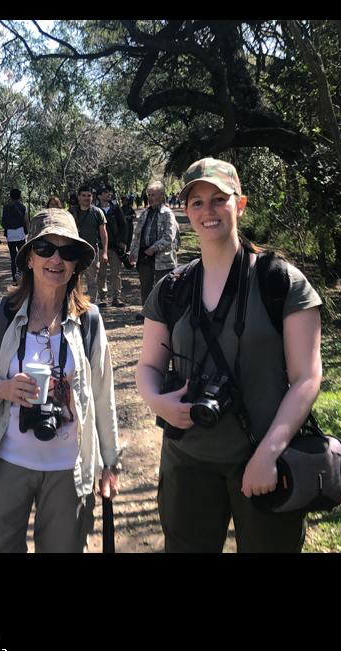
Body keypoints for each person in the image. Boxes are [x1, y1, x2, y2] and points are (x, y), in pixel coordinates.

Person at [135, 157, 322, 553]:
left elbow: (307, 377)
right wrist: (156, 401)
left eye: (219, 199)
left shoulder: (280, 281)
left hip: (263, 458)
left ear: (240, 204)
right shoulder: (172, 288)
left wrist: (269, 453)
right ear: (186, 211)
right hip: (187, 460)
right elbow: (149, 365)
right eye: (197, 202)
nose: (209, 210)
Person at [0, 208, 123, 552]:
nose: (56, 259)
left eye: (67, 252)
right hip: (8, 462)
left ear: (77, 263)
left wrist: (110, 462)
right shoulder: (3, 313)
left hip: (69, 468)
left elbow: (103, 396)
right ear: (29, 258)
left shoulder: (89, 321)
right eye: (45, 248)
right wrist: (2, 388)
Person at [129, 180, 179, 321]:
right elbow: (137, 234)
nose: (150, 198)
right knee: (145, 286)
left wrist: (153, 248)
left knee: (163, 287)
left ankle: (162, 315)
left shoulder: (168, 214)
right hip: (144, 256)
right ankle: (147, 313)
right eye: (149, 195)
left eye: (153, 195)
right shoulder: (145, 213)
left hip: (162, 258)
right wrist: (133, 252)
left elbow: (169, 237)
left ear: (162, 196)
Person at [69, 184, 108, 306]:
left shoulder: (97, 212)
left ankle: (91, 305)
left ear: (92, 197)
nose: (86, 198)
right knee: (74, 278)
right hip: (74, 251)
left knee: (92, 280)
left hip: (91, 251)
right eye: (84, 195)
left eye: (89, 195)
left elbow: (103, 233)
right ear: (79, 197)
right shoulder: (71, 212)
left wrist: (105, 252)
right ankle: (75, 304)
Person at [96, 186, 128, 307]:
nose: (109, 194)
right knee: (101, 273)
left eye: (109, 192)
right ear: (99, 196)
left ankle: (116, 297)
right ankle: (103, 298)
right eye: (105, 192)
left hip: (115, 247)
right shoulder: (95, 210)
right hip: (100, 247)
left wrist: (123, 242)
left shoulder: (116, 209)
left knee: (116, 273)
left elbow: (123, 225)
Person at [1, 188, 30, 285]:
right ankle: (21, 273)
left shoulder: (6, 207)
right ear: (19, 196)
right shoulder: (22, 207)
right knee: (22, 255)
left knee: (13, 257)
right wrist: (29, 232)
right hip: (20, 233)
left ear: (10, 196)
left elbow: (3, 221)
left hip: (10, 234)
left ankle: (14, 279)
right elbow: (26, 220)